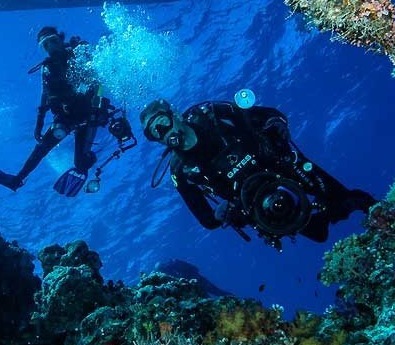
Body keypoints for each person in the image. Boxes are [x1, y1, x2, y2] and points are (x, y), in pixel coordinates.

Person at [141, 97, 375, 249]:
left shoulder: (211, 115)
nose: (163, 133)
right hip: (255, 204)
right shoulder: (180, 171)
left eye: (162, 123)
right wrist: (220, 215)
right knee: (317, 232)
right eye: (155, 133)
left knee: (350, 199)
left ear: (175, 115)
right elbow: (206, 219)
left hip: (283, 167)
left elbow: (269, 113)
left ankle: (385, 220)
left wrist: (276, 125)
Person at [0, 27, 134, 198]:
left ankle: (86, 161)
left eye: (53, 41)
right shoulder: (47, 68)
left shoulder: (78, 53)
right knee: (43, 147)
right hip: (65, 117)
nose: (51, 47)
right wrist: (39, 124)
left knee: (81, 164)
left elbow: (99, 79)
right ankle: (16, 180)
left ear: (60, 39)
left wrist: (99, 104)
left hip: (89, 114)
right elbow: (44, 95)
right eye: (45, 45)